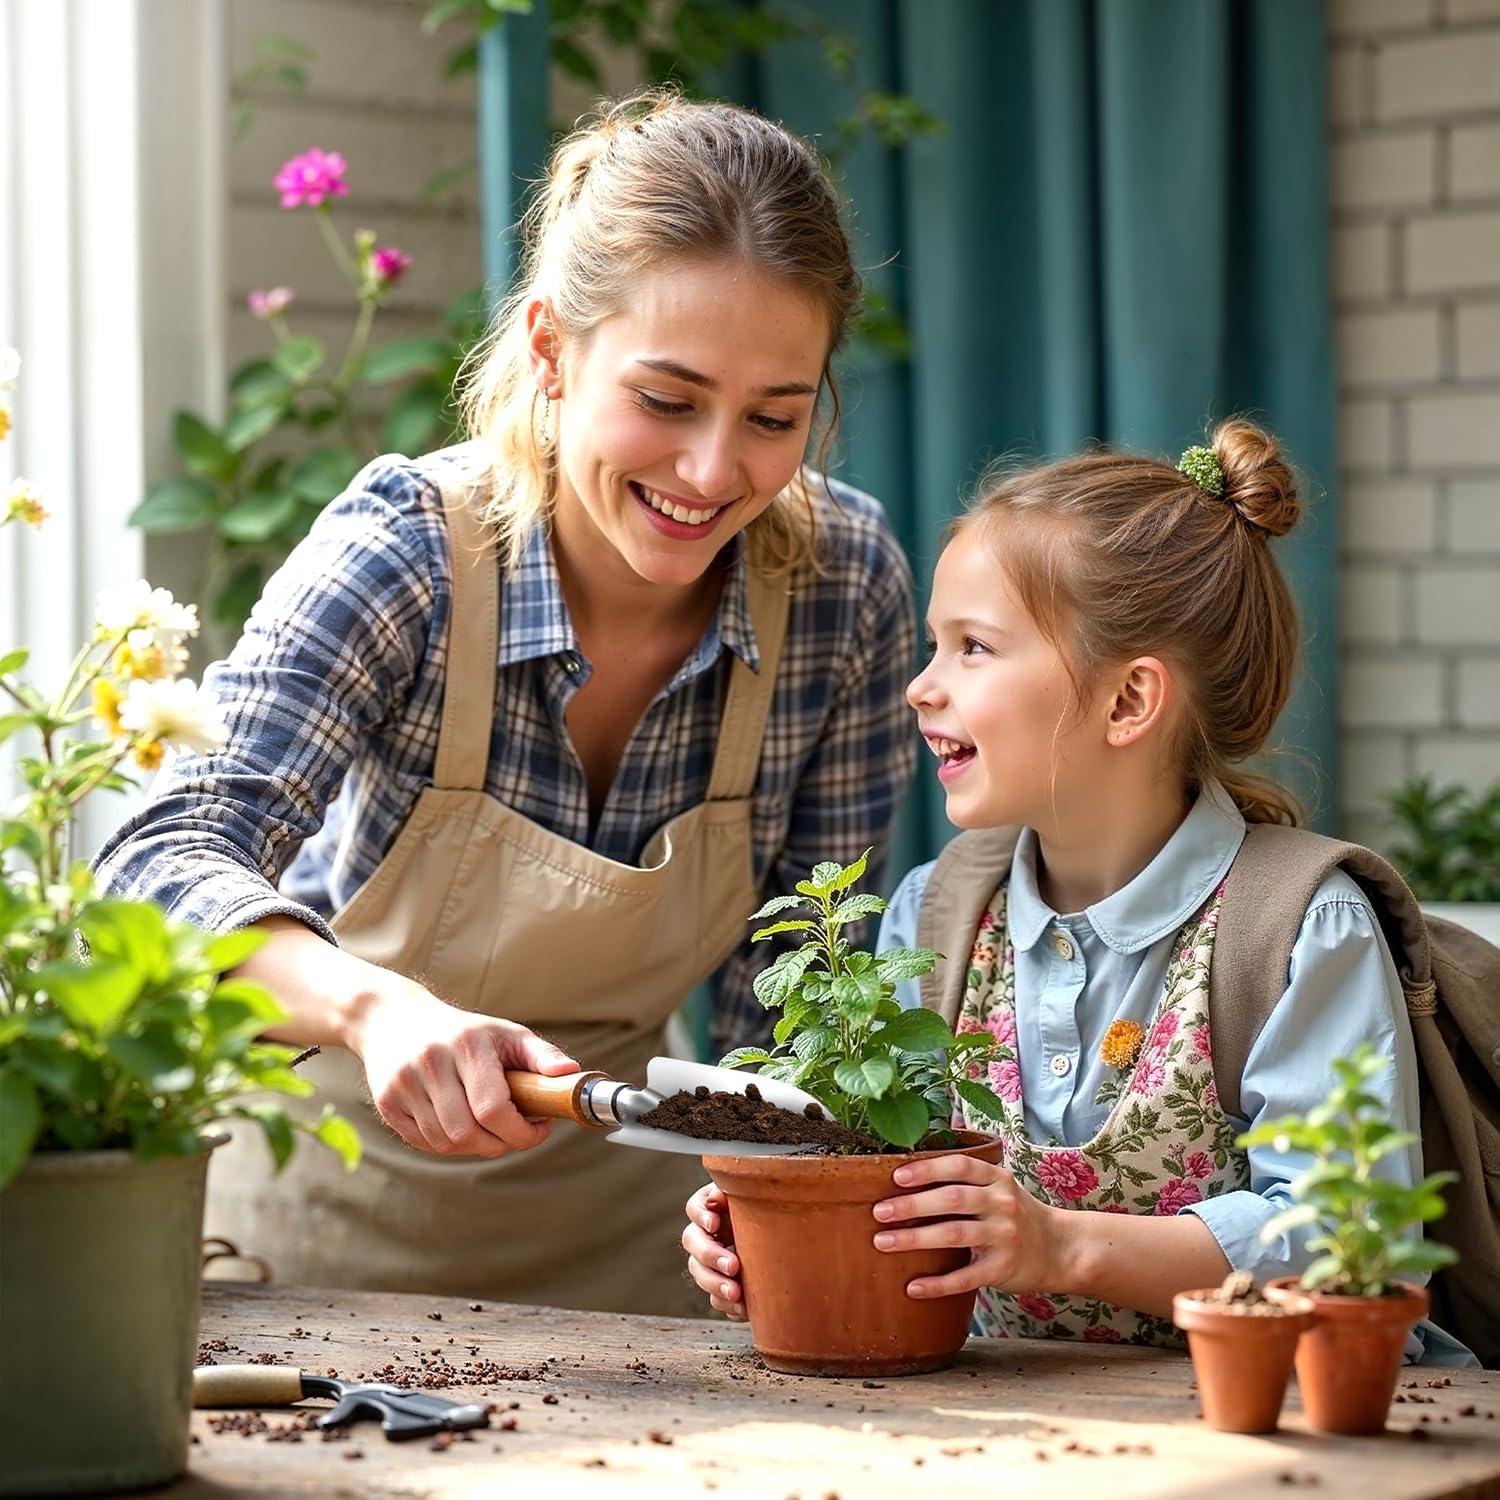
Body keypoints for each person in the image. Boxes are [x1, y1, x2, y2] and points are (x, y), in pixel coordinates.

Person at [95, 90, 917, 1315]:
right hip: (313, 1256)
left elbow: (800, 998)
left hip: (632, 1270)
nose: (711, 471)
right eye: (668, 399)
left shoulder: (842, 591)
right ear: (549, 350)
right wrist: (373, 1008)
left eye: (774, 418)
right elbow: (158, 859)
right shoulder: (409, 556)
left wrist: (779, 1228)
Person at [683, 418, 1474, 1363]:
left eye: (972, 648)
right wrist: (777, 1224)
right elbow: (880, 1179)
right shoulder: (934, 914)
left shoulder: (1301, 928)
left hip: (1286, 1431)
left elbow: (1360, 1247)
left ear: (1128, 701)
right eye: (934, 647)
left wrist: (1061, 1245)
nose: (919, 690)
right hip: (1026, 1430)